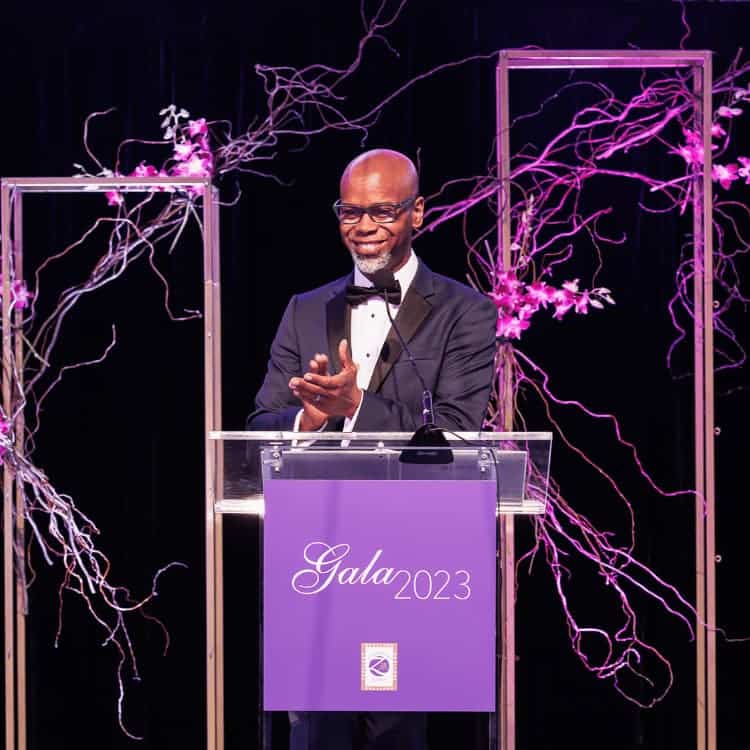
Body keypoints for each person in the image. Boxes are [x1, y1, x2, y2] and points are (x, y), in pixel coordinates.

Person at [247, 149, 497, 750]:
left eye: (382, 211)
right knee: (316, 729)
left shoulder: (466, 312)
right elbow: (260, 422)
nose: (364, 227)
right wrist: (306, 419)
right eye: (350, 212)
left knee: (397, 729)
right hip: (317, 556)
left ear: (418, 213)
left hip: (417, 563)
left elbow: (458, 433)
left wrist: (356, 407)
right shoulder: (306, 309)